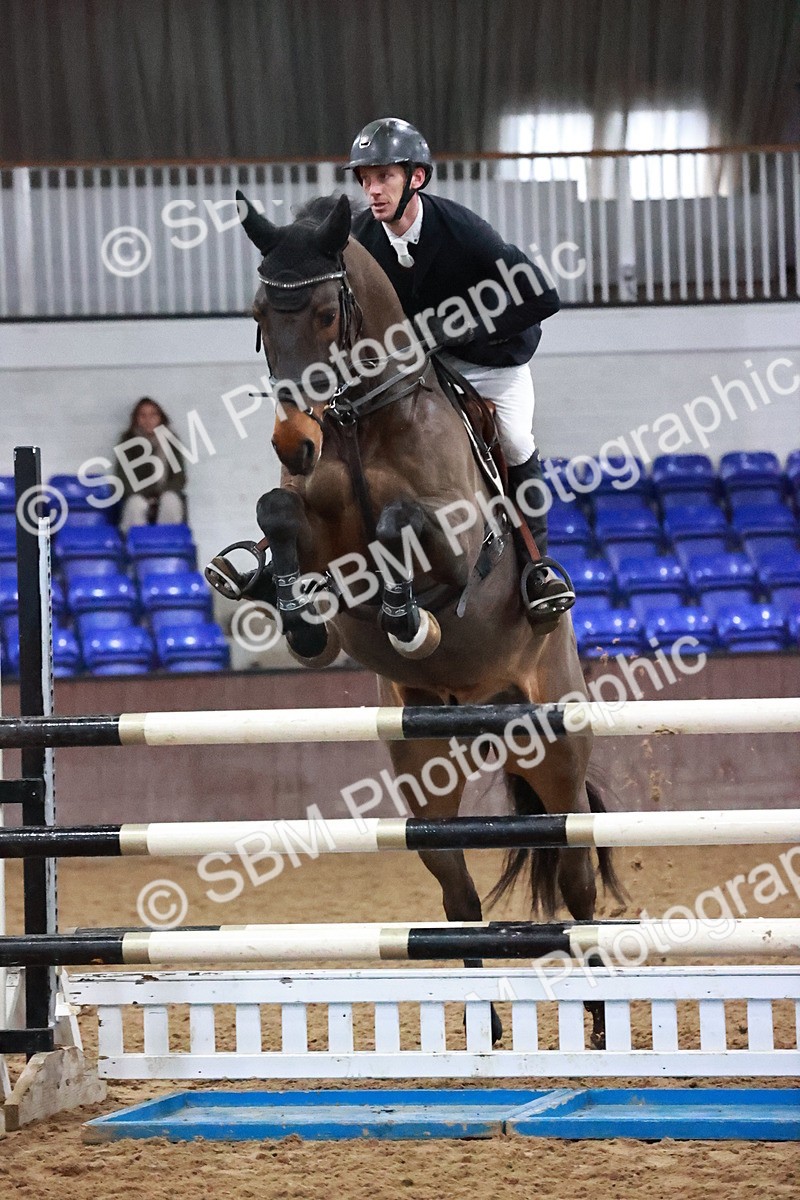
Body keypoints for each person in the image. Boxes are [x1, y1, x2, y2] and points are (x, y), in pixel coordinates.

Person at [346, 117, 574, 623]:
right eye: (364, 178)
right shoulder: (361, 236)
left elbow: (543, 297)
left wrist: (458, 330)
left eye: (382, 176)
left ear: (416, 179)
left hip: (494, 358)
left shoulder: (462, 230)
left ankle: (538, 565)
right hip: (425, 364)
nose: (372, 189)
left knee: (514, 441)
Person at [117, 398, 186, 533]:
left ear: (160, 418)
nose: (148, 420)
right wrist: (147, 495)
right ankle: (139, 549)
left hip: (165, 492)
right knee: (136, 504)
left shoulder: (171, 440)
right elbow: (123, 477)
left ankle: (166, 546)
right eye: (143, 415)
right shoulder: (127, 441)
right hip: (138, 495)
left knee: (170, 501)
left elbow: (180, 477)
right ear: (136, 419)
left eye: (153, 415)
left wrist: (161, 494)